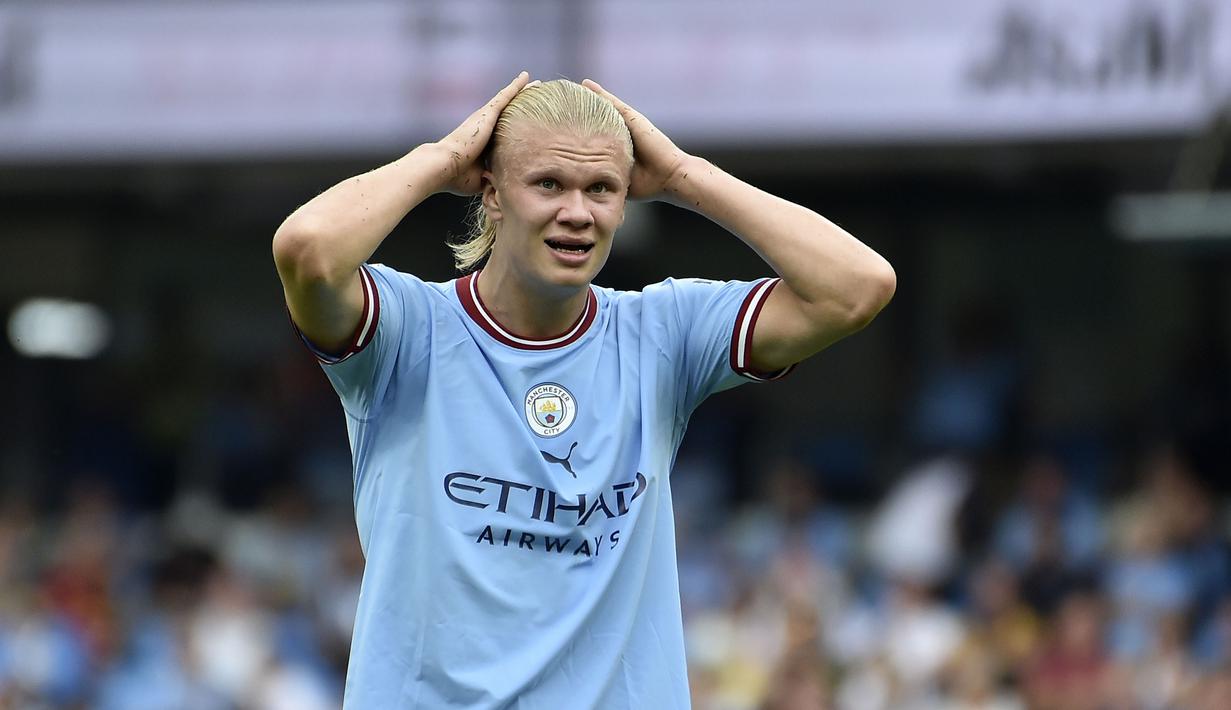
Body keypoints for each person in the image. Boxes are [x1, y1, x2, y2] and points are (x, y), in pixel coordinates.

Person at [272, 72, 895, 708]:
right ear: (490, 192)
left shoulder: (663, 333)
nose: (577, 212)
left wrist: (683, 175)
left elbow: (857, 286)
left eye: (602, 189)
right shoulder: (407, 330)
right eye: (548, 184)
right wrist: (442, 159)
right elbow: (307, 249)